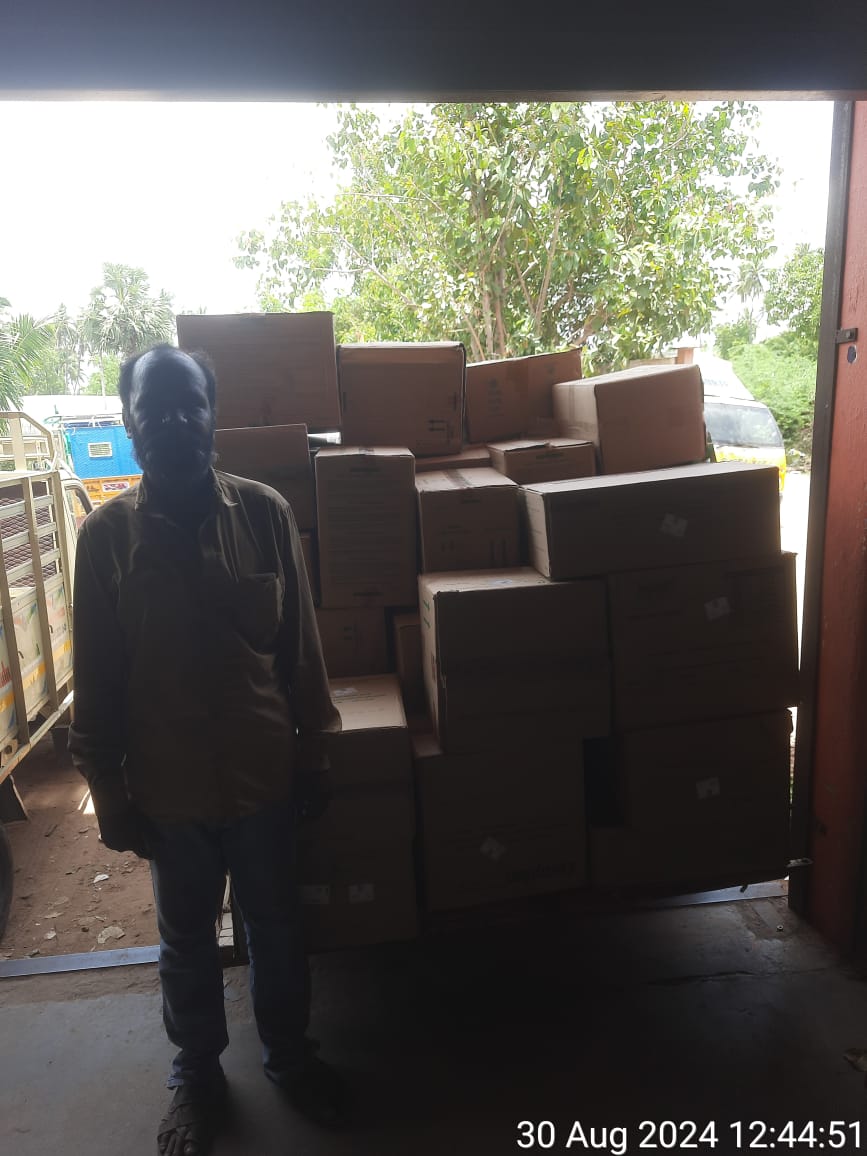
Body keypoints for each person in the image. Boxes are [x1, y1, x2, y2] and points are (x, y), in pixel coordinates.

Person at [69, 343, 343, 1156]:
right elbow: (98, 675)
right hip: (169, 792)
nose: (172, 421)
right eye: (152, 409)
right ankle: (196, 1080)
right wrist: (109, 792)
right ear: (129, 424)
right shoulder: (105, 539)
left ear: (212, 415)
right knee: (186, 943)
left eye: (188, 405)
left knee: (277, 929)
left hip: (263, 777)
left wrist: (316, 753)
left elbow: (300, 651)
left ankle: (290, 1060)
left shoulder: (264, 514)